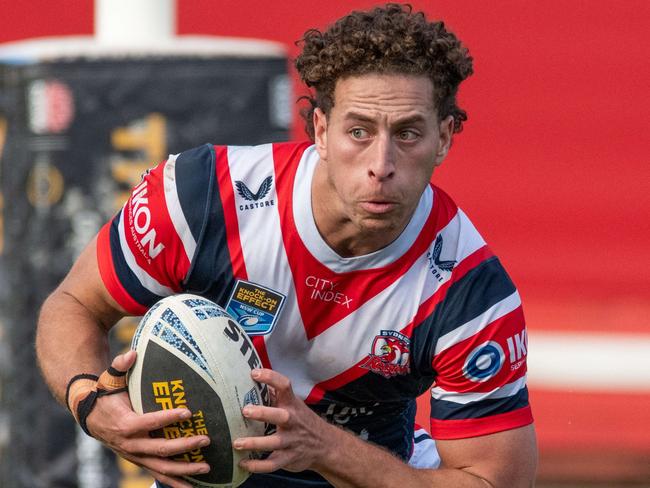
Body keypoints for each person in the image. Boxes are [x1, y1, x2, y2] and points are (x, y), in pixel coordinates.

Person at [36, 4, 537, 487]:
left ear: (444, 139)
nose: (381, 163)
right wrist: (91, 405)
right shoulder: (201, 197)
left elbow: (494, 481)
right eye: (358, 131)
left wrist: (324, 446)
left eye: (408, 134)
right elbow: (73, 305)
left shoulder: (471, 294)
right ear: (320, 129)